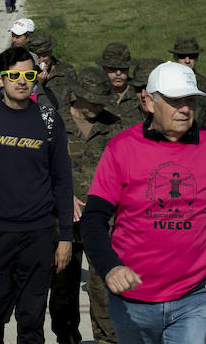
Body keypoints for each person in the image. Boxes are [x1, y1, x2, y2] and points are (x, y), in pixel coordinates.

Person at [81, 61, 206, 343]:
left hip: (196, 297)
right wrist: (110, 267)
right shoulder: (121, 148)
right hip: (133, 300)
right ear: (150, 102)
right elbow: (94, 218)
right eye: (174, 101)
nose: (184, 108)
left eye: (189, 100)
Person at [0, 46, 73, 344]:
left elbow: (62, 181)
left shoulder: (48, 119)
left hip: (37, 234)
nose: (22, 81)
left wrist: (66, 236)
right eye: (14, 75)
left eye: (29, 75)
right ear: (0, 78)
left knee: (32, 321)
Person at [50, 67, 125, 344]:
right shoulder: (53, 125)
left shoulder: (115, 126)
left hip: (105, 222)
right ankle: (66, 337)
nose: (97, 105)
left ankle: (107, 340)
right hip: (62, 223)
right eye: (91, 99)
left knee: (104, 288)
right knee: (62, 290)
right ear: (76, 95)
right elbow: (37, 169)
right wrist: (63, 195)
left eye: (100, 99)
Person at [169, 36, 206, 122]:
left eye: (191, 56)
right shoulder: (166, 83)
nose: (187, 61)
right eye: (182, 56)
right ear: (175, 57)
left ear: (197, 57)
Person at [30, 33, 76, 105]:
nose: (41, 60)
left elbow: (74, 99)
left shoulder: (66, 70)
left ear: (50, 53)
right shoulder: (27, 73)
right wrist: (38, 84)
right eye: (37, 57)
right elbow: (26, 101)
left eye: (45, 56)